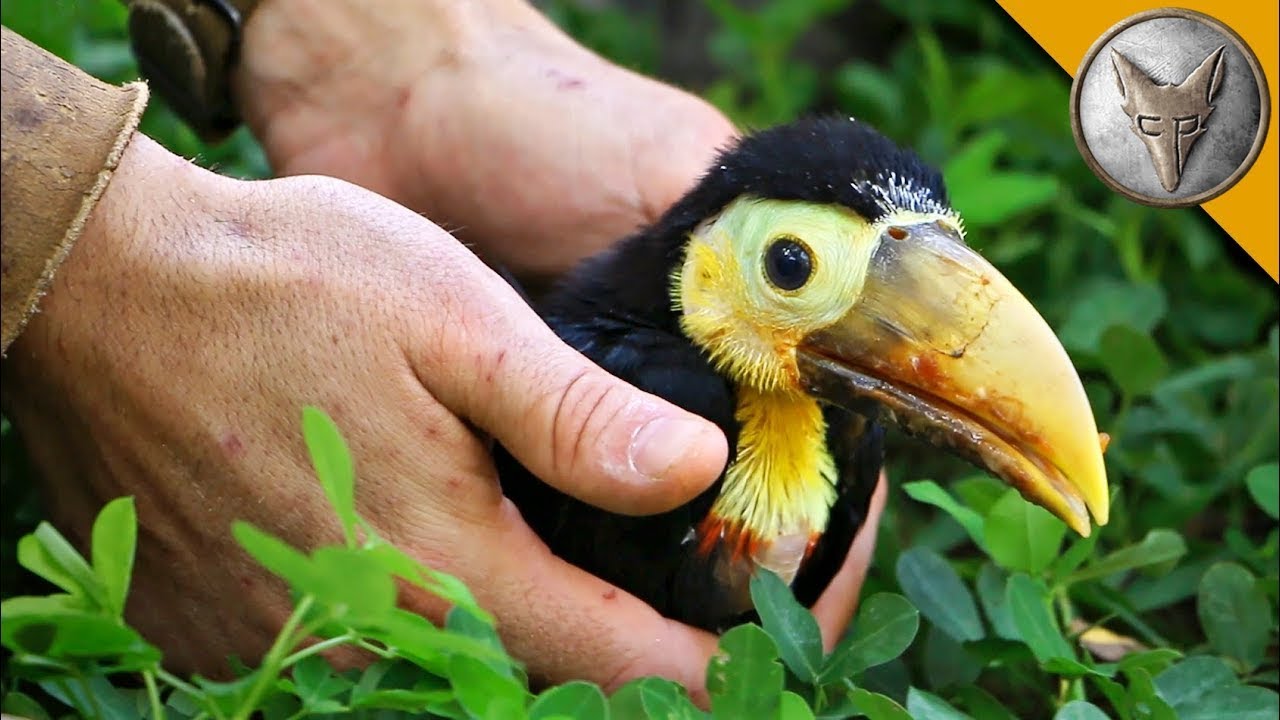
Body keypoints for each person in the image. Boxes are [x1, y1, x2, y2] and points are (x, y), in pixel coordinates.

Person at [1, 0, 885, 697]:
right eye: (794, 262)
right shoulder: (663, 384)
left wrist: (387, 47)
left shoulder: (827, 434)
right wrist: (77, 242)